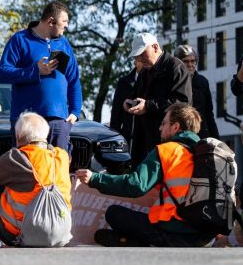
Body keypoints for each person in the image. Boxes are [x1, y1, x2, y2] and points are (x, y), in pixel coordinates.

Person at [76, 104, 214, 247]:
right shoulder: (206, 154)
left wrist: (95, 178)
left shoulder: (167, 150)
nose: (160, 128)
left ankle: (142, 241)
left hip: (175, 231)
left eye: (164, 123)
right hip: (207, 235)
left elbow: (135, 185)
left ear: (175, 127)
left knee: (114, 213)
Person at [0, 112, 72, 245]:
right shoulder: (62, 156)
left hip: (19, 235)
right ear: (45, 136)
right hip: (60, 233)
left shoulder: (16, 157)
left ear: (18, 136)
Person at [0, 1, 81, 152]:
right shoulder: (20, 39)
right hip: (27, 120)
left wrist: (75, 111)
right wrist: (35, 71)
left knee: (57, 170)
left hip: (58, 120)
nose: (66, 26)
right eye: (64, 22)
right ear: (50, 21)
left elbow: (74, 79)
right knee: (28, 170)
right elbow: (3, 73)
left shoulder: (64, 44)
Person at [124, 32, 191, 165]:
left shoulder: (176, 67)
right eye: (137, 56)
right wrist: (130, 102)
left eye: (142, 54)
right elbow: (138, 97)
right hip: (147, 142)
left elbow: (182, 103)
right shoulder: (145, 72)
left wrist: (148, 106)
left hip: (170, 143)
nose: (140, 59)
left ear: (155, 47)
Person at [174, 45, 219, 140]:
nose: (190, 64)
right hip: (180, 134)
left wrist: (216, 138)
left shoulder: (203, 82)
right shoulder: (172, 81)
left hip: (201, 134)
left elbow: (209, 113)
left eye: (192, 61)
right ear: (178, 63)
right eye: (186, 61)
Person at [109, 59, 143, 143]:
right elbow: (116, 114)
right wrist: (115, 139)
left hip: (147, 138)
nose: (144, 61)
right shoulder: (123, 82)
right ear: (135, 62)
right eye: (141, 59)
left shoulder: (155, 80)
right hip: (127, 138)